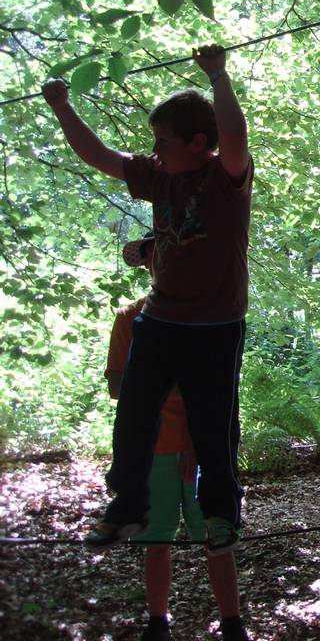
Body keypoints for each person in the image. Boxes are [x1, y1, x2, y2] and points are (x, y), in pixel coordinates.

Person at [42, 44, 253, 552]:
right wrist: (62, 107)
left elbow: (235, 135)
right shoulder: (159, 175)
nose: (155, 150)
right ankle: (128, 506)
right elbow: (99, 157)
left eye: (164, 140)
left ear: (198, 142)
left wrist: (219, 76)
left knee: (213, 424)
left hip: (215, 326)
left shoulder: (226, 178)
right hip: (161, 320)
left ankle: (222, 514)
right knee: (134, 415)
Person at [108, 235, 247, 641]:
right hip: (154, 449)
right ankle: (157, 624)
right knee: (156, 537)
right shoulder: (130, 318)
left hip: (203, 448)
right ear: (149, 265)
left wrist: (192, 441)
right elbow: (118, 385)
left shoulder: (207, 316)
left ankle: (232, 623)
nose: (161, 263)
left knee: (217, 537)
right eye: (154, 256)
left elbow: (216, 390)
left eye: (168, 254)